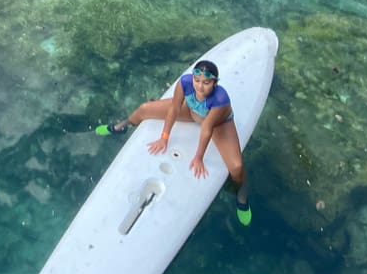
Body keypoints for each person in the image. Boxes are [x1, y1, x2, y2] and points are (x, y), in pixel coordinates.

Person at [94, 59, 252, 226]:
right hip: (192, 112)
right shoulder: (184, 82)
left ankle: (242, 197)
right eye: (197, 80)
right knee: (144, 109)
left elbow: (207, 128)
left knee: (236, 166)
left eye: (206, 82)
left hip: (218, 123)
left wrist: (198, 157)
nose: (200, 86)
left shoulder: (220, 98)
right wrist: (164, 137)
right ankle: (121, 126)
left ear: (214, 83)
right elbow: (175, 108)